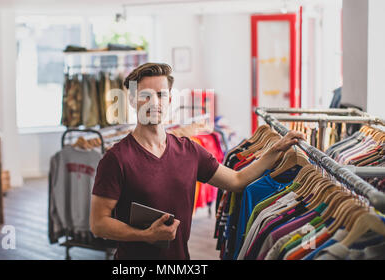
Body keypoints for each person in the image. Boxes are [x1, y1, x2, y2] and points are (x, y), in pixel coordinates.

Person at [90, 62, 304, 260]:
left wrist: (275, 150)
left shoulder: (189, 151)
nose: (154, 102)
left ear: (170, 100)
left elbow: (237, 180)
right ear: (132, 101)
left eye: (160, 95)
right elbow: (98, 223)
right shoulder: (116, 159)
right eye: (145, 95)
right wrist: (145, 235)